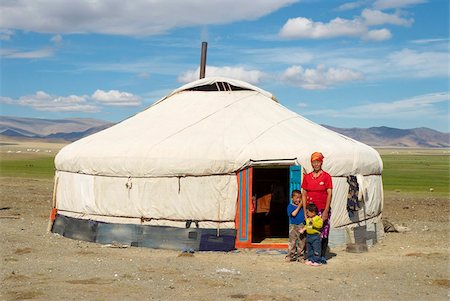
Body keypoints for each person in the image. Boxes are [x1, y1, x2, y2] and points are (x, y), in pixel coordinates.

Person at [301, 151, 333, 263]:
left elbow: (329, 193)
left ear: (321, 162)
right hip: (310, 210)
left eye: (318, 162)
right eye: (314, 162)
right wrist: (305, 211)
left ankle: (321, 255)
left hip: (322, 209)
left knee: (323, 232)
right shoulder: (307, 177)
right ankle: (310, 255)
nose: (316, 164)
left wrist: (326, 211)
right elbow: (304, 194)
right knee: (310, 231)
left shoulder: (326, 177)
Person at [285, 189, 305, 262]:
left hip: (301, 225)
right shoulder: (290, 206)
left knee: (301, 242)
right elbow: (293, 214)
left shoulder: (303, 206)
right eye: (296, 197)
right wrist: (299, 206)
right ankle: (290, 256)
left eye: (299, 197)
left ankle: (300, 257)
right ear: (292, 198)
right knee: (292, 242)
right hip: (293, 226)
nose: (298, 199)